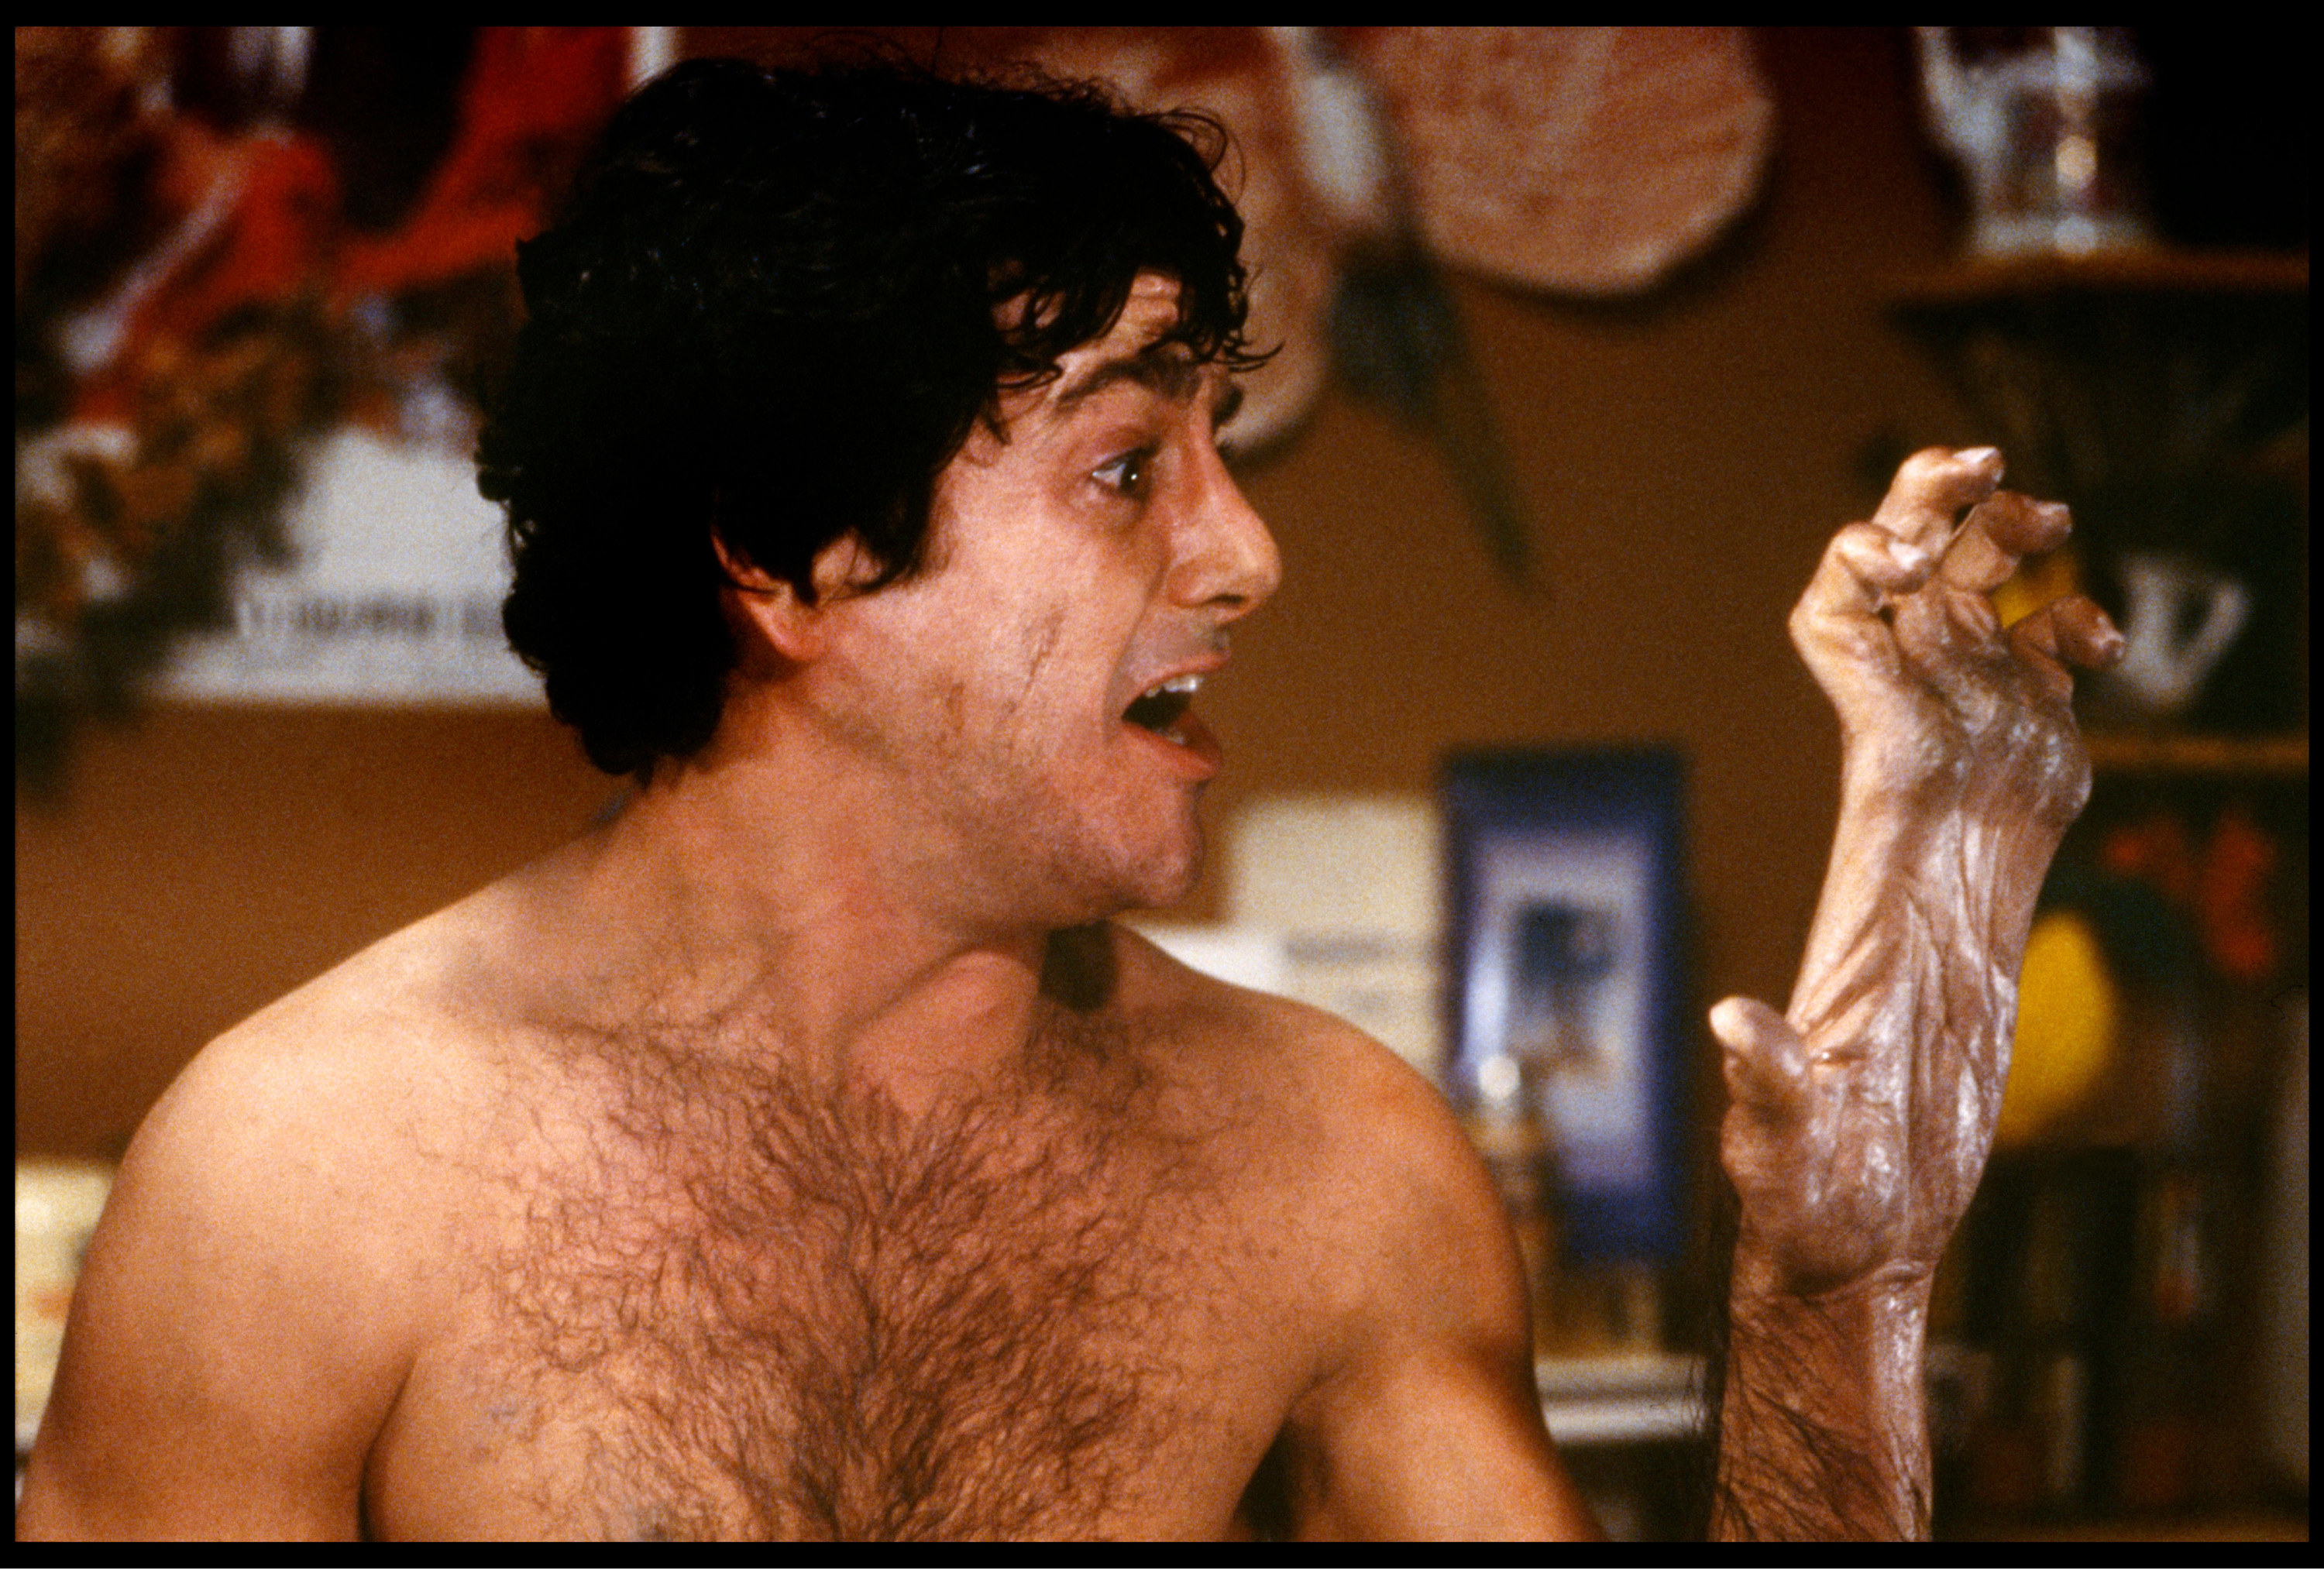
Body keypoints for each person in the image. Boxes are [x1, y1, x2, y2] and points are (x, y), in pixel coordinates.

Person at [18, 57, 2121, 1541]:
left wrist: (1841, 1290)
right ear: (788, 555)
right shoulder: (303, 1184)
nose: (1247, 553)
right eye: (1127, 466)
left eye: (1220, 449)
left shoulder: (1331, 1171)